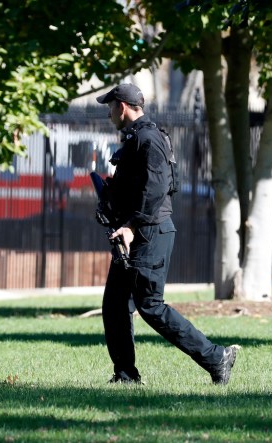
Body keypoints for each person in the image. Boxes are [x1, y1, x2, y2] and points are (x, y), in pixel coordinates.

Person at [95, 83, 240, 385]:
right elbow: (140, 187)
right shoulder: (137, 138)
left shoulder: (149, 139)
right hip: (133, 232)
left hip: (149, 234)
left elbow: (156, 190)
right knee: (115, 304)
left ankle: (216, 358)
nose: (109, 113)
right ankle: (126, 376)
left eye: (110, 107)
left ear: (122, 106)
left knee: (151, 305)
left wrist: (131, 226)